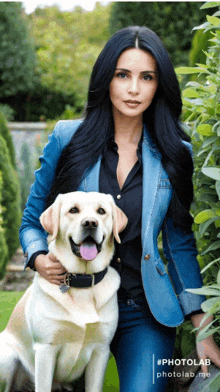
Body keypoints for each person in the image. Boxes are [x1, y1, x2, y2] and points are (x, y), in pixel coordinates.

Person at [20, 26, 220, 391]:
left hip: (140, 309)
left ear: (159, 85)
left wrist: (202, 328)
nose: (133, 89)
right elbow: (33, 220)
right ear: (105, 79)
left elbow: (178, 243)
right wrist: (37, 256)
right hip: (70, 303)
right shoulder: (67, 138)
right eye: (122, 75)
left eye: (147, 77)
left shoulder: (176, 154)